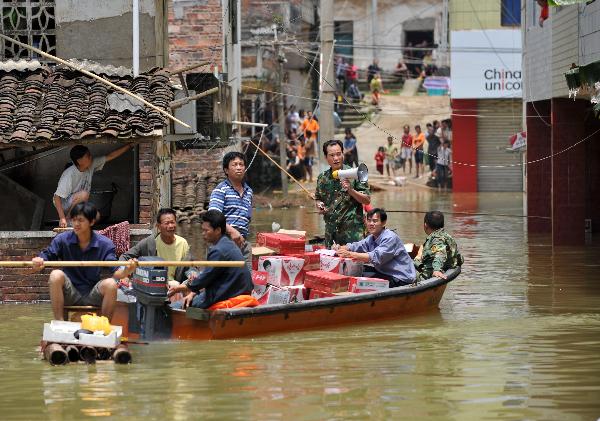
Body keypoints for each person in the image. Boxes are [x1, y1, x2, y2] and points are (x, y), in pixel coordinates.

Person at [31, 202, 137, 320]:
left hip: (92, 292)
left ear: (91, 222)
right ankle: (59, 323)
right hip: (70, 292)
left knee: (111, 284)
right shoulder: (62, 239)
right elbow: (47, 256)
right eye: (74, 220)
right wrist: (39, 261)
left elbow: (116, 272)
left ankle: (104, 324)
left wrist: (128, 270)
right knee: (55, 275)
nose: (76, 224)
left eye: (80, 220)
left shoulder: (105, 244)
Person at [168, 210, 253, 309]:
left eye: (206, 230)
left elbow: (204, 280)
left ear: (217, 230)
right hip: (236, 290)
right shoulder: (228, 243)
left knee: (173, 307)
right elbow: (209, 276)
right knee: (191, 296)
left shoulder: (218, 250)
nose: (203, 234)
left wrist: (178, 289)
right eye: (202, 230)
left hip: (228, 294)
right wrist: (193, 292)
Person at [54, 144, 134, 228]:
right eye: (88, 155)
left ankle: (75, 220)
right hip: (64, 204)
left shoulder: (91, 165)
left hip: (77, 202)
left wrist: (129, 146)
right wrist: (62, 218)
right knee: (84, 194)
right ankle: (68, 219)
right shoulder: (70, 174)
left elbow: (110, 156)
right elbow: (56, 197)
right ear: (79, 161)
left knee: (96, 216)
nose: (91, 157)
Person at [335, 208, 416, 287]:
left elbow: (375, 257)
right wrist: (341, 248)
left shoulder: (390, 237)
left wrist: (349, 254)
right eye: (369, 220)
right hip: (384, 272)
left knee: (359, 278)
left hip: (400, 278)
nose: (371, 224)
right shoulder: (372, 237)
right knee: (356, 269)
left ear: (383, 223)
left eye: (375, 221)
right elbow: (356, 246)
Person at [315, 139, 371, 247]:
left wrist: (351, 190)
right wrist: (319, 205)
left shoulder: (355, 174)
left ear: (343, 154)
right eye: (331, 155)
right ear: (326, 157)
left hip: (352, 234)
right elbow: (318, 198)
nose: (336, 158)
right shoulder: (322, 178)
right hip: (331, 234)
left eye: (338, 154)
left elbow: (367, 199)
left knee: (355, 262)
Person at [119, 208, 190, 287]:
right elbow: (125, 257)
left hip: (176, 287)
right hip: (154, 286)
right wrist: (124, 274)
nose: (170, 226)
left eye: (172, 222)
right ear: (158, 226)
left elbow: (190, 267)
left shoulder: (183, 243)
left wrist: (191, 276)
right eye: (166, 223)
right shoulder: (149, 243)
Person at [208, 152, 253, 269]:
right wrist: (232, 231)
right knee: (225, 277)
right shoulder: (221, 190)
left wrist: (241, 235)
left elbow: (248, 217)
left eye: (241, 164)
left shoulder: (249, 192)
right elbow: (213, 216)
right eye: (234, 165)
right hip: (225, 240)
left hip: (243, 241)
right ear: (226, 170)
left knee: (246, 277)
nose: (239, 167)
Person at [413, 211, 462, 282]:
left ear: (425, 225)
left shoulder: (437, 239)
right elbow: (458, 256)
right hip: (432, 268)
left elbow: (440, 252)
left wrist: (437, 270)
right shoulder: (447, 236)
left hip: (425, 277)